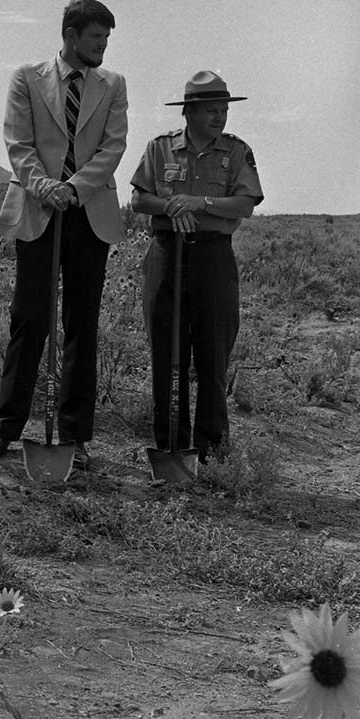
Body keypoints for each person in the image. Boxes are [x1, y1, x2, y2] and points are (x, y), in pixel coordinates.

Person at [0, 0, 128, 472]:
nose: (102, 47)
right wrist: (45, 186)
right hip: (38, 207)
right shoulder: (27, 77)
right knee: (29, 317)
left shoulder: (113, 85)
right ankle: (6, 427)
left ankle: (75, 436)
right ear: (70, 35)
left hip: (89, 211)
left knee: (82, 323)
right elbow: (18, 141)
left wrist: (75, 188)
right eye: (95, 38)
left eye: (106, 39)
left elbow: (113, 147)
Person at [130, 72, 262, 462]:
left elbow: (245, 204)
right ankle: (171, 446)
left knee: (213, 353)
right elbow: (139, 199)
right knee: (166, 353)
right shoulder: (160, 148)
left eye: (223, 110)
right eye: (211, 110)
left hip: (213, 257)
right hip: (167, 253)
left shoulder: (236, 151)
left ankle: (211, 451)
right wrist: (171, 205)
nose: (220, 117)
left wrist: (199, 203)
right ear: (189, 112)